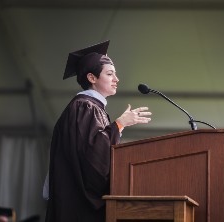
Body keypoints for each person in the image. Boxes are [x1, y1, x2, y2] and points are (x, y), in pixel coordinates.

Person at [44, 40, 152, 222]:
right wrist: (118, 125)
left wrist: (118, 127)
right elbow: (93, 157)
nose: (116, 79)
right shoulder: (84, 107)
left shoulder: (90, 107)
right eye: (110, 74)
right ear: (92, 78)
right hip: (79, 208)